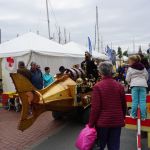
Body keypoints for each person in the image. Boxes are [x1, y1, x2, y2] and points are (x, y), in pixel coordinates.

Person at [89, 62, 127, 150]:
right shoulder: (119, 86)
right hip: (117, 121)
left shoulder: (97, 86)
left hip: (102, 123)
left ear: (100, 72)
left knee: (99, 146)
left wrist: (91, 123)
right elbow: (123, 105)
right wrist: (123, 117)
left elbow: (95, 108)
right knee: (114, 146)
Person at [126, 55, 148, 120]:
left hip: (134, 85)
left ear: (133, 61)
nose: (129, 62)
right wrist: (144, 82)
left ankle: (133, 115)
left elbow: (127, 79)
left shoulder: (130, 68)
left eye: (129, 61)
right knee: (142, 101)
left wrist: (130, 83)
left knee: (135, 101)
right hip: (143, 85)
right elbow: (146, 76)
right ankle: (143, 116)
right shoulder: (143, 68)